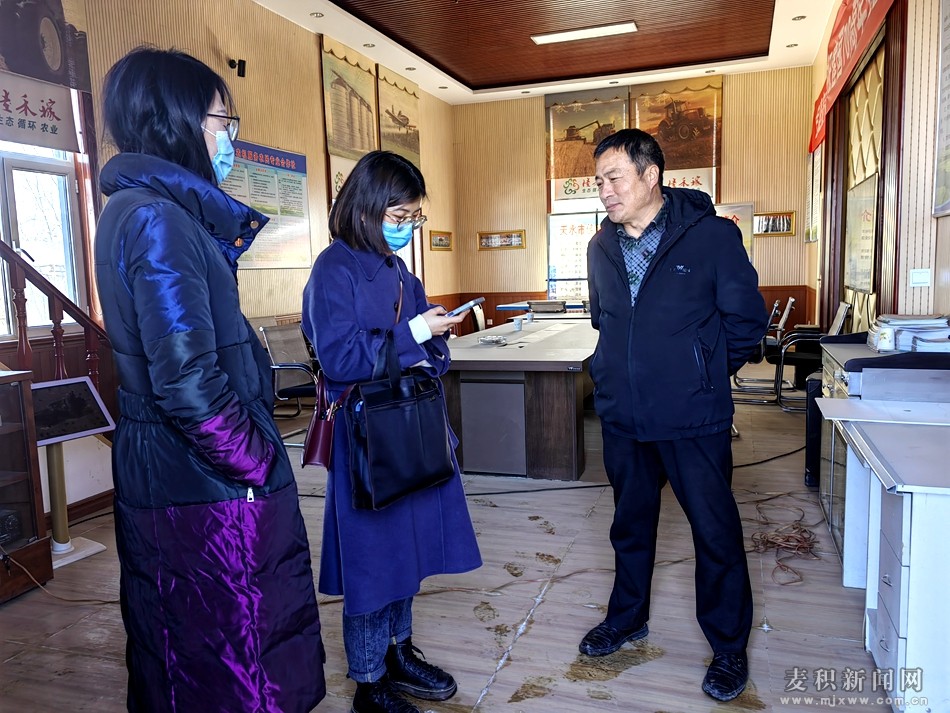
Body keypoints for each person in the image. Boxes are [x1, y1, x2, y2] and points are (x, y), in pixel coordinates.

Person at [94, 48, 325, 712]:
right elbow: (187, 381)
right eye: (224, 120)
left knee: (189, 647)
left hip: (179, 470)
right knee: (230, 652)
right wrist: (255, 461)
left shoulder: (142, 210)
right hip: (202, 480)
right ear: (178, 121)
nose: (231, 137)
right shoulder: (157, 219)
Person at [581, 128, 768, 702]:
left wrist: (700, 374)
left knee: (715, 532)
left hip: (692, 418)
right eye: (599, 181)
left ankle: (728, 647)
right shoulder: (600, 246)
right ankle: (627, 618)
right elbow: (604, 320)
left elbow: (746, 323)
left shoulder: (711, 236)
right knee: (629, 526)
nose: (605, 191)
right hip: (624, 417)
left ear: (650, 175)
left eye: (615, 178)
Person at [302, 150, 481, 713]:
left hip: (412, 429)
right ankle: (369, 679)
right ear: (365, 209)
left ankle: (400, 651)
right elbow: (339, 358)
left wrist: (435, 338)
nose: (407, 228)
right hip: (366, 438)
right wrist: (414, 335)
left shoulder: (402, 272)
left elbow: (430, 346)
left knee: (408, 548)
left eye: (414, 218)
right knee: (372, 558)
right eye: (399, 217)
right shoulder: (334, 269)